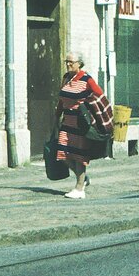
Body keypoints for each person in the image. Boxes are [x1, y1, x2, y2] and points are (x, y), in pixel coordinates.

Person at [54, 52, 113, 199]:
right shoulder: (66, 78)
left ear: (79, 63)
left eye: (71, 62)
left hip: (80, 124)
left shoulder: (87, 79)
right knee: (62, 154)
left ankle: (79, 189)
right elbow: (61, 100)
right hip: (66, 122)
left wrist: (87, 107)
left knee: (78, 156)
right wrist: (56, 117)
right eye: (66, 61)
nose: (68, 64)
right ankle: (83, 179)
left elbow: (100, 97)